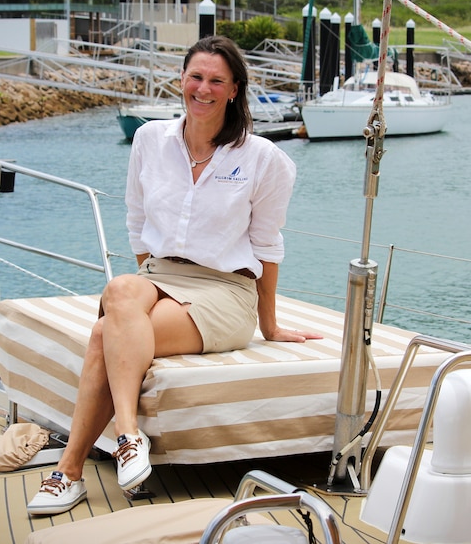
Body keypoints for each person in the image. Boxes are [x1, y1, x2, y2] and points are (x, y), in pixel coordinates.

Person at [26, 35, 322, 516]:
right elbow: (137, 223)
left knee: (105, 332)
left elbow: (267, 246)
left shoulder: (264, 158)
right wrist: (151, 288)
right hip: (158, 273)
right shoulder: (149, 140)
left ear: (234, 90)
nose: (203, 89)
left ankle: (69, 472)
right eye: (195, 77)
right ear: (182, 80)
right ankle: (128, 434)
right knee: (121, 289)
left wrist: (268, 325)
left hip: (226, 288)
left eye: (216, 81)